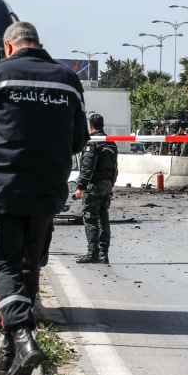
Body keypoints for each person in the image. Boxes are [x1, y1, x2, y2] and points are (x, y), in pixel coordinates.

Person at [0, 21, 89, 375]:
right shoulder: (68, 81)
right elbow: (78, 141)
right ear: (38, 44)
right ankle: (9, 355)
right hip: (46, 193)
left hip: (3, 190)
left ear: (8, 46)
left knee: (2, 267)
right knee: (27, 270)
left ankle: (24, 337)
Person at [74, 113, 119, 264]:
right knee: (103, 218)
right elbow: (115, 167)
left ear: (91, 126)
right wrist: (111, 186)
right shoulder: (111, 142)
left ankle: (92, 253)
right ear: (102, 125)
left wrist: (81, 187)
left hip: (94, 185)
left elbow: (87, 166)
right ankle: (103, 253)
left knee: (91, 218)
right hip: (107, 184)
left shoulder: (92, 142)